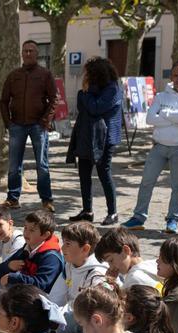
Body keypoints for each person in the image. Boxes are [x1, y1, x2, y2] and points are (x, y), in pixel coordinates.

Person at [122, 63, 178, 234]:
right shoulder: (161, 96)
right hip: (159, 147)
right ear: (171, 77)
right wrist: (176, 117)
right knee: (146, 182)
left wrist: (164, 114)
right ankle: (138, 217)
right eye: (176, 75)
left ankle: (173, 219)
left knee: (177, 186)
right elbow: (150, 118)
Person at [0, 39, 57, 212]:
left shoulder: (45, 74)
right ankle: (13, 198)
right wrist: (8, 123)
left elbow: (53, 99)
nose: (28, 53)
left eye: (31, 51)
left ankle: (46, 200)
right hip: (17, 124)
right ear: (21, 54)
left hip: (38, 125)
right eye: (25, 51)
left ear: (37, 53)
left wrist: (45, 120)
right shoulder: (13, 75)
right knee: (14, 164)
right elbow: (3, 101)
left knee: (42, 164)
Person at [67, 57, 123, 225]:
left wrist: (86, 93)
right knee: (84, 174)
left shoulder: (113, 89)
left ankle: (112, 212)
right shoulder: (93, 90)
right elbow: (81, 104)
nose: (85, 77)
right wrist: (85, 94)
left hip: (104, 139)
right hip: (86, 136)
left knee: (104, 173)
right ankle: (87, 210)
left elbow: (95, 107)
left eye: (88, 74)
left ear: (96, 74)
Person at [48, 221, 108, 333]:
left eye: (68, 244)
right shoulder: (70, 265)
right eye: (63, 242)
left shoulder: (97, 274)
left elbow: (90, 310)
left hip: (88, 319)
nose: (62, 248)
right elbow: (56, 296)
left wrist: (56, 315)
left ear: (85, 249)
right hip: (71, 312)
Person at [0, 209, 64, 298]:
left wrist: (13, 277)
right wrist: (9, 266)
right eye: (25, 227)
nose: (26, 232)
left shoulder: (51, 256)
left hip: (43, 296)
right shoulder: (27, 248)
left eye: (32, 230)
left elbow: (42, 284)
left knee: (1, 288)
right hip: (26, 289)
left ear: (45, 235)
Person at [94, 227, 162, 291]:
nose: (111, 267)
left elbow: (119, 302)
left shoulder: (134, 279)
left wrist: (109, 284)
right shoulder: (155, 265)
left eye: (111, 260)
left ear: (126, 250)